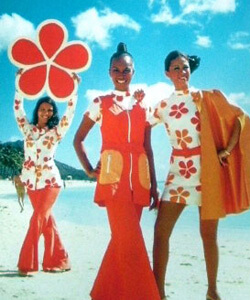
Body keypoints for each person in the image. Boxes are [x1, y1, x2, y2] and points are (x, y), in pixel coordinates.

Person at [151, 50, 250, 300]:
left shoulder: (206, 97)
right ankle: (158, 292)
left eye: (185, 67)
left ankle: (212, 291)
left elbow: (240, 118)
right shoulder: (162, 106)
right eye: (176, 68)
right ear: (167, 74)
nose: (182, 72)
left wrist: (226, 150)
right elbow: (137, 127)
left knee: (208, 235)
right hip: (178, 173)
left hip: (208, 172)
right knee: (161, 231)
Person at [74, 42, 161, 300]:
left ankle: (103, 293)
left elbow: (148, 148)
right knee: (132, 244)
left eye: (126, 69)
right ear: (109, 73)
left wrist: (154, 186)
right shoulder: (100, 103)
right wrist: (89, 170)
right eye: (116, 69)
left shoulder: (144, 106)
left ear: (134, 72)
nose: (121, 74)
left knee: (121, 243)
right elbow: (77, 140)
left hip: (140, 183)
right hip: (112, 180)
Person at [14, 72, 79, 276]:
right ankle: (60, 260)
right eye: (42, 109)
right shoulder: (28, 130)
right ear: (37, 111)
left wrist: (74, 90)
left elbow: (69, 115)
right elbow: (18, 109)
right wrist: (19, 85)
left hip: (51, 182)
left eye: (50, 110)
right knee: (47, 223)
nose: (46, 113)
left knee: (38, 220)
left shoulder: (56, 132)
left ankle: (26, 263)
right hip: (32, 184)